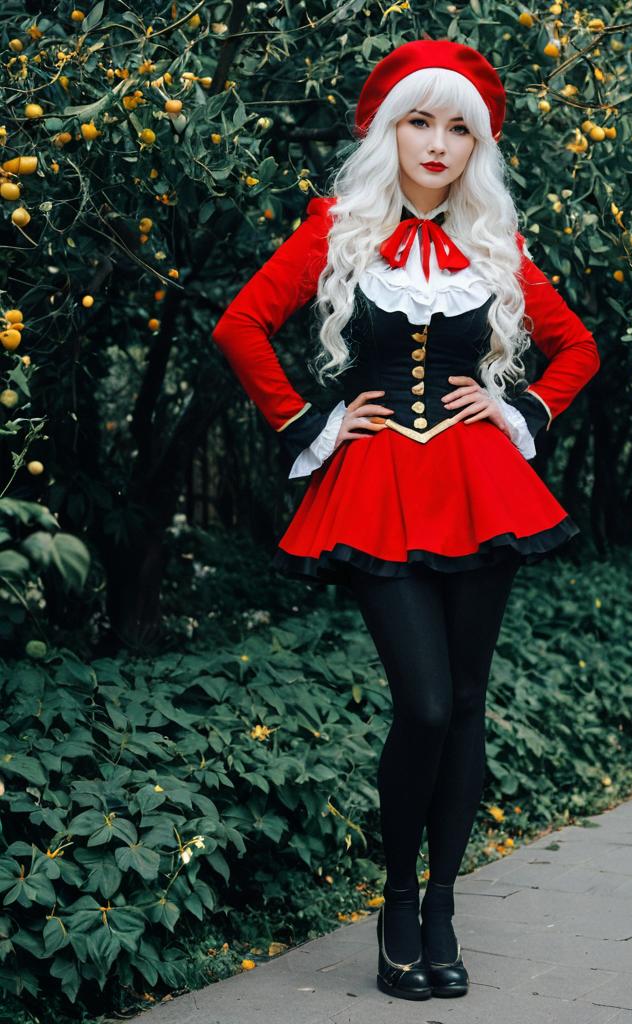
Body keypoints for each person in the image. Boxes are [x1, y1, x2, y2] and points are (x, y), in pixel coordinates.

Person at [212, 38, 600, 1001]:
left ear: (478, 146)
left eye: (458, 126)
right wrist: (314, 418)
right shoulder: (338, 230)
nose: (438, 142)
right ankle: (394, 900)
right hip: (377, 489)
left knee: (466, 703)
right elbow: (240, 326)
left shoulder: (494, 246)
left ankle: (440, 907)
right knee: (423, 704)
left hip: (481, 489)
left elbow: (577, 348)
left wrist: (520, 409)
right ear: (392, 131)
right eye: (420, 121)